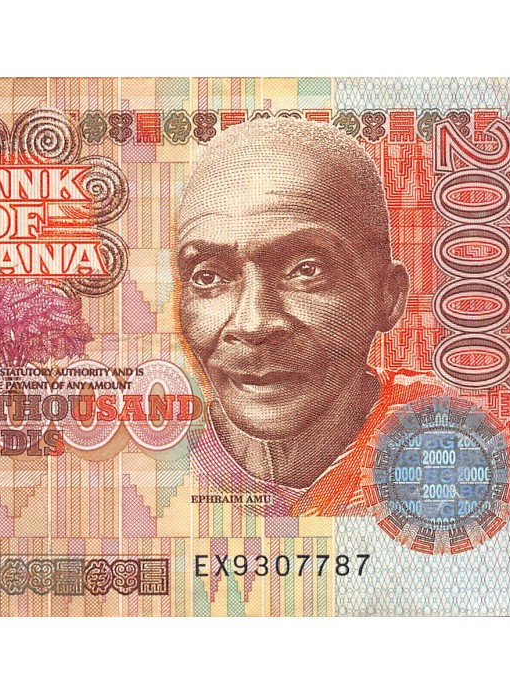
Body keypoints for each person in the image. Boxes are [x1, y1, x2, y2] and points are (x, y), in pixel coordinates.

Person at [175, 116, 425, 513]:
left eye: (306, 270)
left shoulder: (454, 444)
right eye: (209, 277)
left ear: (387, 296)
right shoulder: (157, 458)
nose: (252, 323)